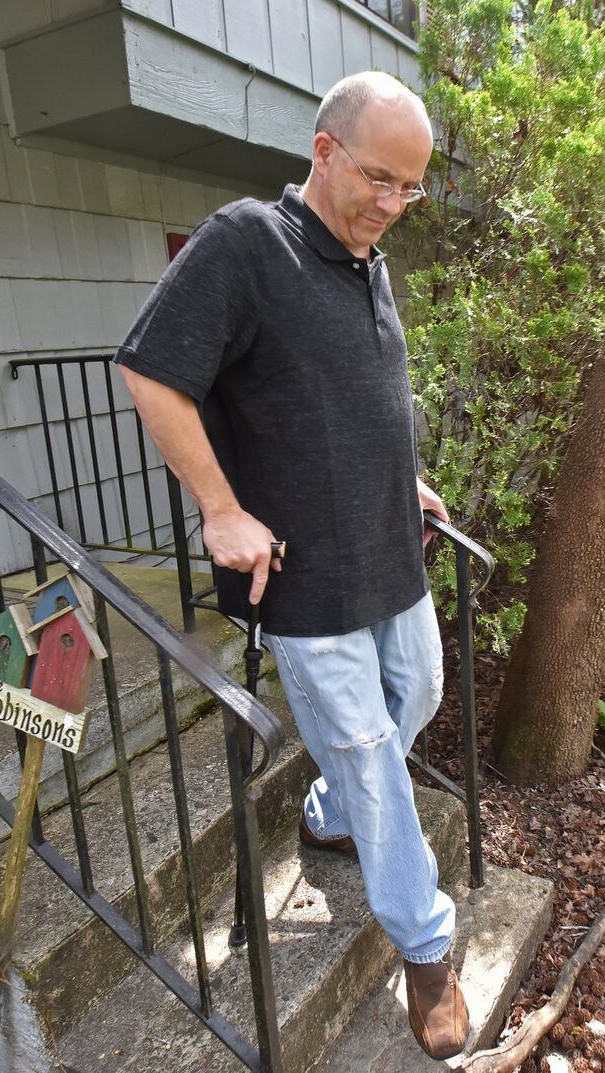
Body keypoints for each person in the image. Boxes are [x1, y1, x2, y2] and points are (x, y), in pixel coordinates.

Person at [114, 71, 468, 1059]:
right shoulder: (245, 243)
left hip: (388, 548)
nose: (392, 204)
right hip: (302, 574)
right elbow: (150, 371)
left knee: (421, 692)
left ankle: (327, 809)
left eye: (410, 188)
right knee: (368, 750)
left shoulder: (366, 262)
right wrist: (220, 508)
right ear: (324, 151)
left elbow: (347, 393)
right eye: (379, 179)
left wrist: (404, 477)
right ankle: (427, 948)